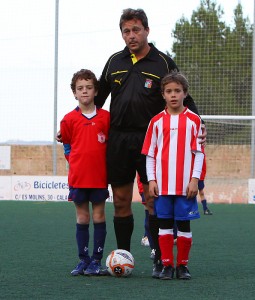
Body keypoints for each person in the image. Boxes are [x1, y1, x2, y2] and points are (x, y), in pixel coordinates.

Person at [56, 8, 206, 272]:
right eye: (127, 31)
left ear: (147, 30)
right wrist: (75, 125)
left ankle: (160, 258)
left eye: (136, 29)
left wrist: (199, 124)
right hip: (119, 141)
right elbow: (96, 101)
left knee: (152, 200)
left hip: (152, 143)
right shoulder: (114, 61)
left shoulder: (163, 62)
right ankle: (124, 255)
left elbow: (184, 97)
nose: (132, 35)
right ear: (122, 34)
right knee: (122, 200)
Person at [142, 71, 204, 280]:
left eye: (177, 91)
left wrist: (195, 179)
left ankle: (183, 266)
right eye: (169, 91)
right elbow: (150, 155)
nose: (173, 95)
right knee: (164, 225)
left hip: (185, 186)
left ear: (185, 93)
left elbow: (199, 153)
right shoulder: (156, 122)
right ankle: (167, 264)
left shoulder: (194, 121)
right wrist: (151, 179)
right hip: (163, 186)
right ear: (163, 95)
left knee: (184, 226)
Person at [60, 69, 110, 276]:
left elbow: (110, 144)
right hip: (79, 177)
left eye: (89, 87)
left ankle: (96, 261)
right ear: (74, 93)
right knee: (82, 218)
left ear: (96, 91)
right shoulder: (68, 119)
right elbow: (67, 146)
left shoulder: (107, 117)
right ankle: (83, 260)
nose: (85, 91)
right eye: (80, 88)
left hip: (99, 177)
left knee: (98, 216)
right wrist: (75, 162)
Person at [137, 174, 155, 260]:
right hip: (146, 184)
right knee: (149, 213)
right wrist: (142, 190)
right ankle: (153, 247)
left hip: (165, 184)